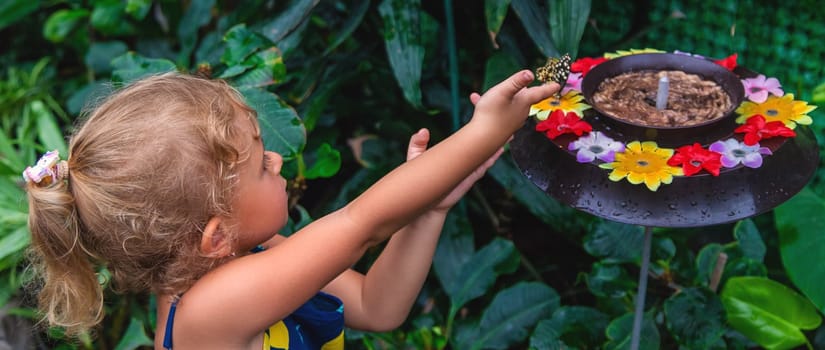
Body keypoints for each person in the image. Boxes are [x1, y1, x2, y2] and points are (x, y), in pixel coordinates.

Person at [23, 70, 559, 349]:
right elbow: (359, 225)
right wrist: (485, 130)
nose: (278, 160)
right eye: (261, 164)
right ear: (215, 235)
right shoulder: (211, 308)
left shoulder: (244, 256)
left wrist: (428, 210)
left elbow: (377, 307)